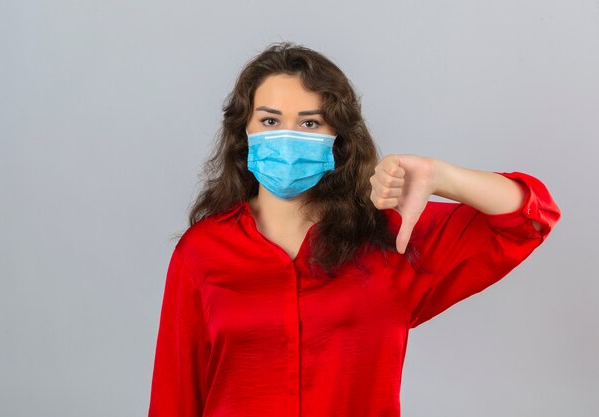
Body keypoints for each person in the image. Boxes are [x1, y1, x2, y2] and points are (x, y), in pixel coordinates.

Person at [147, 42, 561, 417]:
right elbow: (174, 398)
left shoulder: (392, 237)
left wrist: (440, 176)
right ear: (244, 132)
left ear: (338, 138)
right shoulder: (201, 251)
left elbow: (529, 217)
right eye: (270, 120)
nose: (288, 137)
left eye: (309, 124)